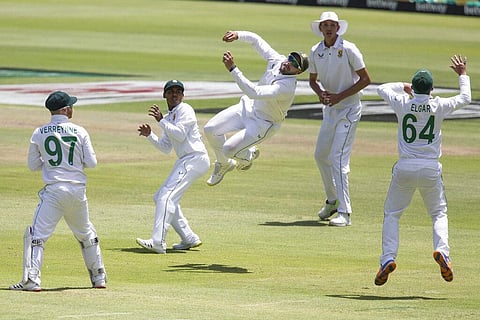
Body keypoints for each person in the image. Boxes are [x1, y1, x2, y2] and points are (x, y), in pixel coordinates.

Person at [374, 55, 471, 286]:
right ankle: (442, 251)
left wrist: (403, 87)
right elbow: (466, 98)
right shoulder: (438, 105)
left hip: (405, 166)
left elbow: (381, 88)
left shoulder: (402, 102)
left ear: (412, 87)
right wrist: (462, 75)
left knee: (392, 214)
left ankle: (388, 258)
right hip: (430, 168)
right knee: (438, 213)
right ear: (432, 89)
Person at [10, 91, 107, 291]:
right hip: (78, 191)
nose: (72, 108)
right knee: (86, 233)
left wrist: (52, 164)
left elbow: (33, 165)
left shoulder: (39, 132)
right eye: (70, 106)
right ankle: (99, 278)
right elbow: (92, 163)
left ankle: (32, 280)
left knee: (37, 235)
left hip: (54, 191)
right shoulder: (80, 131)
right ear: (64, 109)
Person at [204, 30, 309, 186]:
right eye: (291, 58)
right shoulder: (277, 60)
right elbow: (257, 41)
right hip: (247, 108)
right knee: (210, 129)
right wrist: (237, 34)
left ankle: (248, 156)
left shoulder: (286, 87)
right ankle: (223, 164)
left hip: (264, 123)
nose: (289, 63)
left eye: (295, 64)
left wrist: (233, 68)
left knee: (228, 149)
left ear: (298, 72)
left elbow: (254, 92)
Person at [308, 11, 371, 227]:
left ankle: (345, 213)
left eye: (331, 25)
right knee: (320, 155)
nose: (328, 28)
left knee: (338, 159)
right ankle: (332, 200)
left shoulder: (349, 48)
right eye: (324, 25)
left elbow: (366, 79)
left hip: (350, 109)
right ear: (320, 28)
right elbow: (313, 80)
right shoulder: (315, 51)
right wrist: (321, 94)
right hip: (331, 110)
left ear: (338, 27)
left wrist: (339, 97)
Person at [136, 80, 210, 254]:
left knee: (165, 197)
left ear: (183, 96)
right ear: (164, 95)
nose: (174, 94)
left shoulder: (186, 110)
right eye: (170, 91)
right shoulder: (169, 118)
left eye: (178, 91)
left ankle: (158, 241)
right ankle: (188, 237)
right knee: (161, 197)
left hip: (195, 158)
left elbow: (180, 134)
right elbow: (165, 147)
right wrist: (150, 135)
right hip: (186, 159)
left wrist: (161, 121)